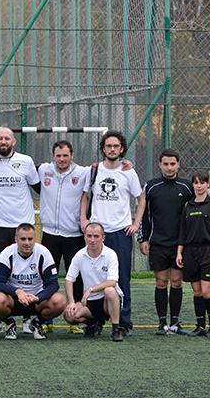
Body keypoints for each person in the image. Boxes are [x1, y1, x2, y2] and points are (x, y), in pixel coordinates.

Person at [80, 130, 145, 334]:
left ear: (122, 149)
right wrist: (83, 218)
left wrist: (136, 223)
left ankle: (124, 323)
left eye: (116, 146)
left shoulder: (128, 172)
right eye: (108, 146)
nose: (112, 149)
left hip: (120, 232)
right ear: (103, 149)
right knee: (91, 278)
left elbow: (141, 198)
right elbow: (85, 196)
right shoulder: (94, 170)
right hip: (97, 232)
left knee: (121, 278)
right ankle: (95, 320)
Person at [0, 127, 40, 334]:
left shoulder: (26, 161)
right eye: (0, 138)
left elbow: (40, 187)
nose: (3, 141)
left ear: (14, 141)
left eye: (7, 138)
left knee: (28, 271)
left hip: (22, 225)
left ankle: (28, 317)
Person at [139, 149, 193, 335]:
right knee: (161, 282)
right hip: (158, 243)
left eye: (173, 164)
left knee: (177, 282)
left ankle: (175, 323)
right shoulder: (151, 186)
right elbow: (144, 215)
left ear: (178, 164)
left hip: (179, 244)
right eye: (166, 164)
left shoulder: (187, 187)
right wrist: (143, 238)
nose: (169, 167)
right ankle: (162, 323)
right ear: (160, 165)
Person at [36, 140, 88, 334]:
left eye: (65, 155)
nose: (62, 159)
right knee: (47, 279)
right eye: (58, 155)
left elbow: (107, 170)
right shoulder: (43, 170)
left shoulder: (83, 173)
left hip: (73, 235)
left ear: (72, 155)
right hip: (49, 233)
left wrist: (127, 165)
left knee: (75, 278)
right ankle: (46, 319)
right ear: (53, 156)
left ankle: (75, 319)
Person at [0, 223, 67, 340]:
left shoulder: (43, 252)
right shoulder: (7, 253)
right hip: (14, 299)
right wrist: (17, 291)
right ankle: (10, 324)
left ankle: (37, 323)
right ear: (16, 239)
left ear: (35, 239)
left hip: (36, 299)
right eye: (23, 239)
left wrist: (38, 298)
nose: (27, 243)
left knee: (60, 301)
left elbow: (53, 284)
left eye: (30, 239)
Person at [177, 171, 210, 338]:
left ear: (208, 185)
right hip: (190, 253)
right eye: (196, 183)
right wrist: (179, 253)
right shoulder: (187, 206)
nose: (199, 185)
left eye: (202, 182)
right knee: (197, 291)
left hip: (208, 251)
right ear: (193, 185)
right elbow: (182, 233)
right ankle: (200, 326)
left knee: (207, 292)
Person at [63, 223, 126, 342]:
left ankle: (116, 329)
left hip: (108, 301)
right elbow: (69, 279)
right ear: (84, 237)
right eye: (89, 236)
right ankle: (93, 323)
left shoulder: (110, 254)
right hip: (90, 301)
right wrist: (71, 302)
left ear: (103, 237)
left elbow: (112, 281)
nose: (92, 240)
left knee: (110, 291)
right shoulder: (79, 255)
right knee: (69, 316)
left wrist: (91, 289)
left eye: (96, 236)